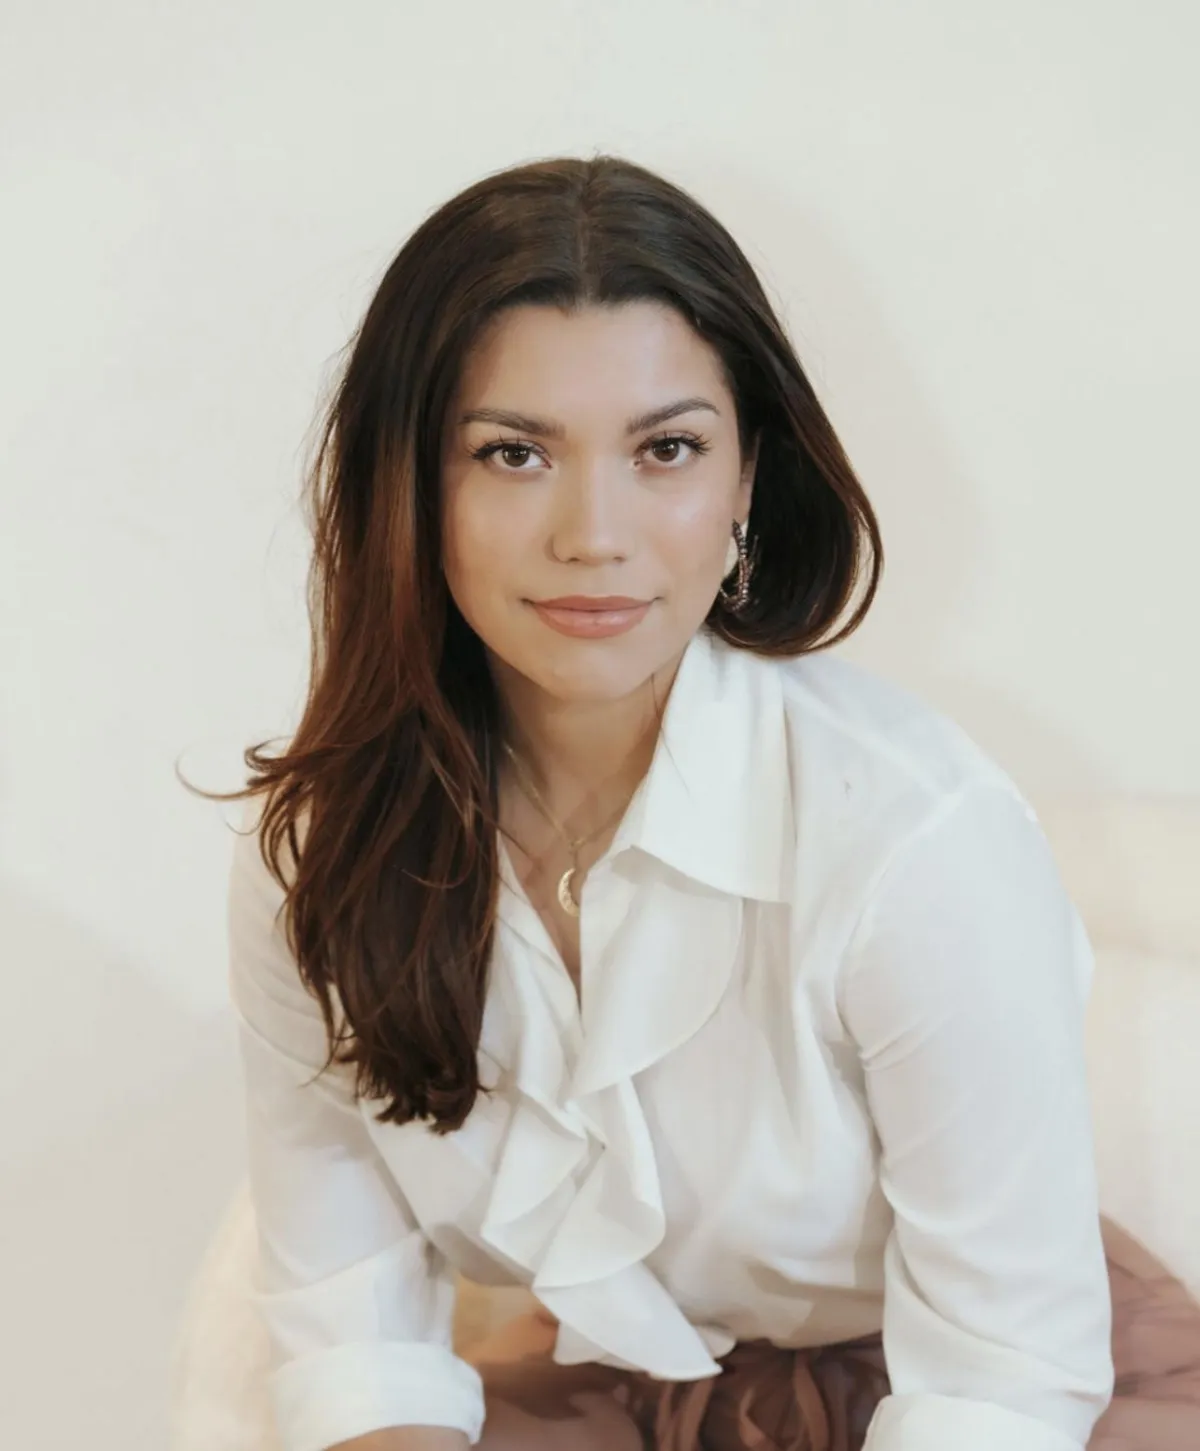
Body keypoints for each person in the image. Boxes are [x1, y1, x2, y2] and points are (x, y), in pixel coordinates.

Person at [188, 154, 1196, 1451]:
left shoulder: (913, 837)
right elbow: (354, 1335)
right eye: (512, 453)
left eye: (666, 449)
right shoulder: (322, 856)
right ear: (410, 486)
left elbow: (1005, 1375)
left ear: (747, 481)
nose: (594, 534)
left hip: (988, 1396)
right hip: (628, 1390)